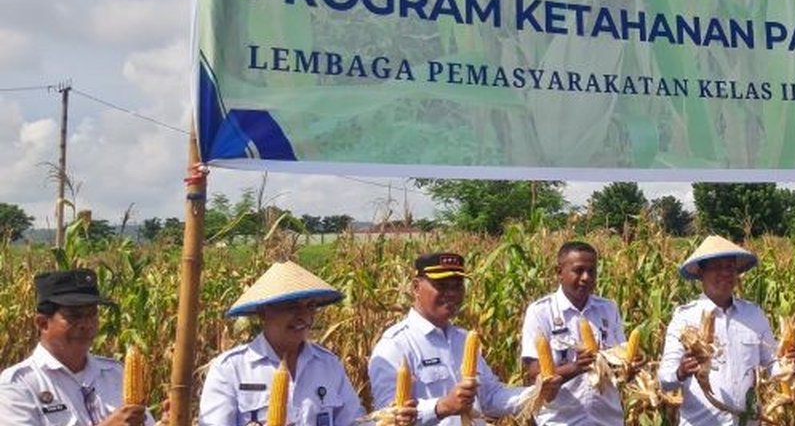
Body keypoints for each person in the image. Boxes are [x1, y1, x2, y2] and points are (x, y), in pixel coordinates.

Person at [369, 252, 562, 425]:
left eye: (457, 285)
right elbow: (387, 416)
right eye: (441, 285)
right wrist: (441, 407)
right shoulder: (395, 345)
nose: (452, 293)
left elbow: (490, 396)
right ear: (416, 287)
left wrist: (535, 394)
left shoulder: (464, 339)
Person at [199, 260, 388, 426]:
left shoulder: (328, 364)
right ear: (264, 313)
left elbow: (352, 422)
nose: (304, 317)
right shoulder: (230, 369)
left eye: (310, 307)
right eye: (292, 307)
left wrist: (389, 418)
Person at [657, 235, 795, 426]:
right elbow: (664, 379)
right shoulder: (684, 318)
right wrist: (681, 372)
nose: (725, 273)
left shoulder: (754, 315)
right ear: (701, 272)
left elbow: (771, 365)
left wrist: (790, 365)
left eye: (730, 267)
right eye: (717, 267)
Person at [0, 268, 154, 426]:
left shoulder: (115, 373)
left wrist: (168, 420)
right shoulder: (18, 384)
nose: (86, 324)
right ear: (43, 323)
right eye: (75, 316)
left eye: (92, 314)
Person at [520, 241, 625, 425]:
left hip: (607, 419)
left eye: (591, 271)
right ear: (559, 272)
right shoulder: (541, 312)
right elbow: (534, 371)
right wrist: (575, 368)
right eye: (578, 270)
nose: (586, 277)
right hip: (560, 420)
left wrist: (630, 366)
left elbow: (619, 359)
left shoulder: (608, 308)